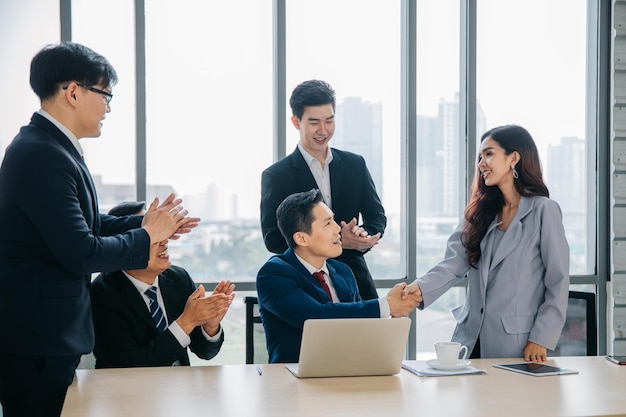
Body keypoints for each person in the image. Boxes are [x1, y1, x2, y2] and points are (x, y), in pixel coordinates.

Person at [0, 42, 198, 417]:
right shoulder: (42, 153)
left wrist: (152, 226)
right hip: (37, 340)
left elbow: (89, 224)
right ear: (73, 92)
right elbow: (80, 250)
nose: (108, 107)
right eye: (106, 94)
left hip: (46, 337)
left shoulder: (52, 147)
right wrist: (145, 236)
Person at [402, 124, 569, 362]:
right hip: (469, 339)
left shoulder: (544, 210)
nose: (481, 163)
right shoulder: (480, 213)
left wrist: (541, 338)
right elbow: (453, 263)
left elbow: (558, 281)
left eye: (489, 154)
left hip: (518, 344)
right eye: (480, 156)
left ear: (513, 158)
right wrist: (418, 289)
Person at [256, 189, 422, 363]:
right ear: (302, 239)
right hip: (294, 381)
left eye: (334, 220)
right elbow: (316, 318)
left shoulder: (342, 271)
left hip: (348, 373)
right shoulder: (274, 274)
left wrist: (393, 313)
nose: (338, 229)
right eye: (328, 224)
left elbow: (358, 325)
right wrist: (387, 305)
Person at [260, 79, 386, 301]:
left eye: (329, 120)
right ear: (296, 122)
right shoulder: (277, 176)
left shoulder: (355, 164)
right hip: (305, 287)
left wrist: (361, 235)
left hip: (357, 283)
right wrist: (335, 241)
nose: (323, 130)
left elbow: (376, 217)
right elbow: (273, 239)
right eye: (314, 122)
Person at [91, 239, 235, 368]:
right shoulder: (102, 293)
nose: (164, 242)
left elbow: (205, 352)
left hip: (180, 390)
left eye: (164, 234)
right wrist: (185, 322)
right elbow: (129, 366)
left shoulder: (179, 278)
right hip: (130, 393)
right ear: (124, 246)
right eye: (154, 236)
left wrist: (209, 326)